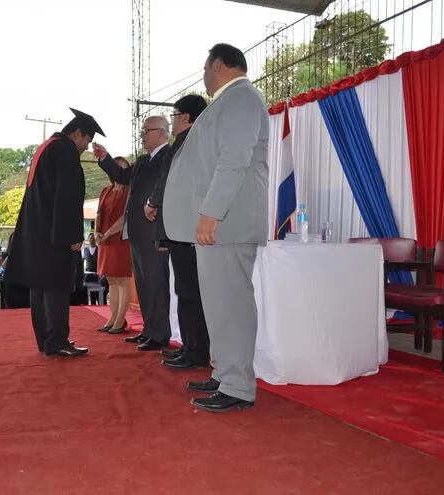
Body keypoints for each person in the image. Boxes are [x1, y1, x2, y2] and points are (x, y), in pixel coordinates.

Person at [162, 44, 269, 412]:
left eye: (206, 67)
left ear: (219, 65)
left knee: (232, 304)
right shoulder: (228, 101)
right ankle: (226, 373)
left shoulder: (241, 98)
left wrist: (211, 212)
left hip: (228, 222)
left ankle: (238, 385)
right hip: (217, 223)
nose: (204, 75)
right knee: (219, 305)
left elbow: (234, 160)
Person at [4, 108, 105, 357]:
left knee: (39, 288)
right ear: (78, 133)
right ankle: (58, 340)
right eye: (87, 141)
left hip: (38, 232)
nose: (85, 148)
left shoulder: (47, 146)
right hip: (56, 234)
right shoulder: (66, 150)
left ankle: (46, 341)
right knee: (57, 289)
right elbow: (67, 196)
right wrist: (73, 236)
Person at [92, 115, 172, 351]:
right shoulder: (143, 160)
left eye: (147, 131)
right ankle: (149, 330)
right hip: (137, 231)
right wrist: (105, 158)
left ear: (162, 133)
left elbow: (164, 188)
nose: (143, 135)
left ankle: (159, 334)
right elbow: (122, 176)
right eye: (143, 131)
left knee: (156, 283)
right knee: (144, 283)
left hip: (154, 228)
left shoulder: (169, 156)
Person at [145, 94, 210, 369]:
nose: (171, 122)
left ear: (185, 117)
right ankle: (190, 346)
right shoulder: (185, 143)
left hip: (189, 229)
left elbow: (171, 180)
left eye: (174, 116)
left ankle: (197, 351)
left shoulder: (196, 142)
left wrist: (153, 201)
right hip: (180, 229)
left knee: (192, 291)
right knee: (185, 290)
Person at [94, 156, 132, 334]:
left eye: (122, 167)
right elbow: (99, 214)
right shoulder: (106, 190)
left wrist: (108, 233)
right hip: (105, 241)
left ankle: (120, 319)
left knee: (122, 280)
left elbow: (125, 216)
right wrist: (96, 233)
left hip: (120, 240)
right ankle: (112, 317)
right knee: (111, 279)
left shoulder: (130, 191)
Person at [1, 232, 30, 309]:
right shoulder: (6, 255)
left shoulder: (29, 254)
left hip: (25, 287)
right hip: (12, 288)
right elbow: (3, 267)